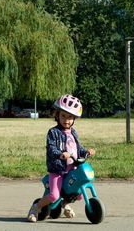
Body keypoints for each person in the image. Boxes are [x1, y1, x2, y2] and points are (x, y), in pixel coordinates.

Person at [27, 94, 95, 222]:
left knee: (78, 194)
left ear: (74, 119)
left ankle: (64, 204)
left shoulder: (73, 132)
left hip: (72, 168)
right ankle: (36, 207)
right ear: (57, 115)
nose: (66, 120)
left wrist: (86, 151)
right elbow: (51, 148)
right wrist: (61, 154)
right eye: (63, 116)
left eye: (70, 117)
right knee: (53, 195)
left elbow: (78, 148)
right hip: (57, 169)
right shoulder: (53, 132)